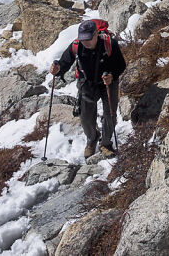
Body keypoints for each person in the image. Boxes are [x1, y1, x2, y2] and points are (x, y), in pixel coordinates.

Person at [50, 19, 127, 158]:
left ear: (96, 34)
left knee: (110, 113)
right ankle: (92, 138)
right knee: (85, 116)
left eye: (89, 39)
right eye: (83, 39)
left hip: (108, 83)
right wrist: (58, 68)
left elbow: (121, 65)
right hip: (87, 83)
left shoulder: (110, 43)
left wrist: (112, 76)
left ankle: (106, 143)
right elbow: (65, 62)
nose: (86, 42)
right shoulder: (76, 45)